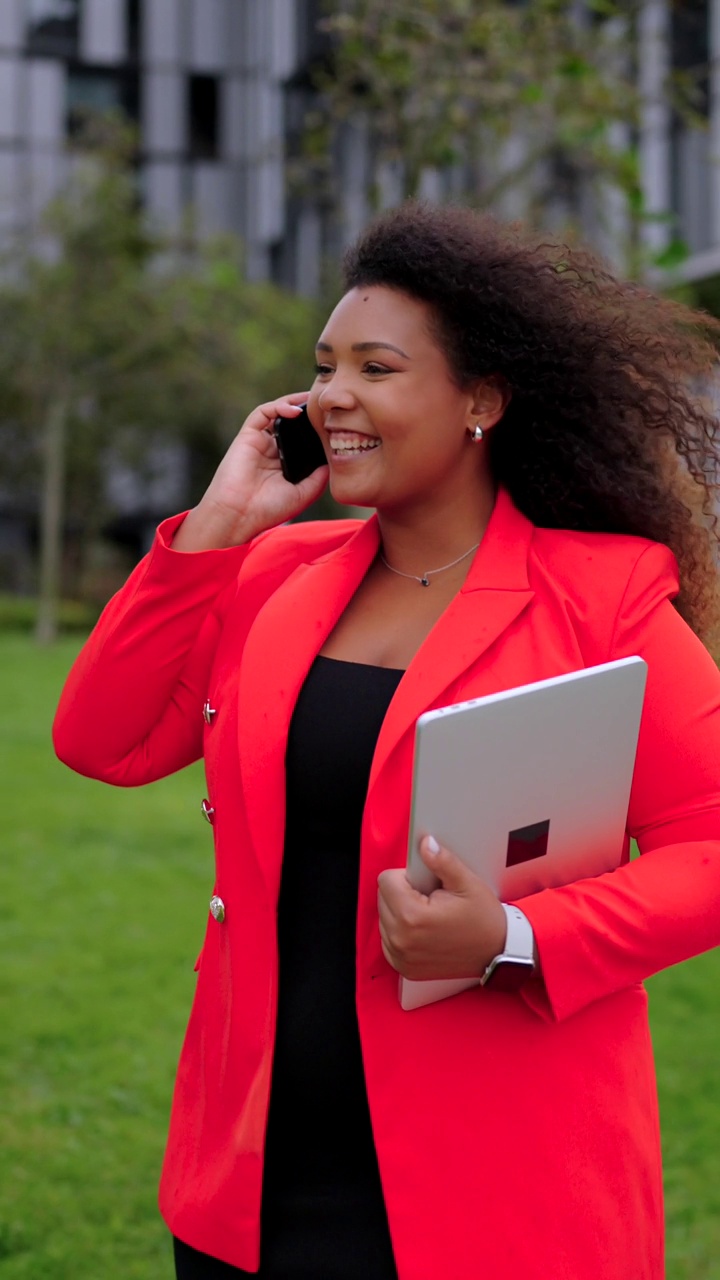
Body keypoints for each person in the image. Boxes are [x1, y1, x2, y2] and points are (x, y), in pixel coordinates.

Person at [53, 201, 720, 1280]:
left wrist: (511, 935)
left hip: (495, 1181)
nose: (333, 396)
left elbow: (712, 840)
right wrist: (221, 525)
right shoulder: (275, 574)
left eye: (376, 366)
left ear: (482, 401)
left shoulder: (599, 596)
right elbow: (103, 738)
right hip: (256, 1170)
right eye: (324, 366)